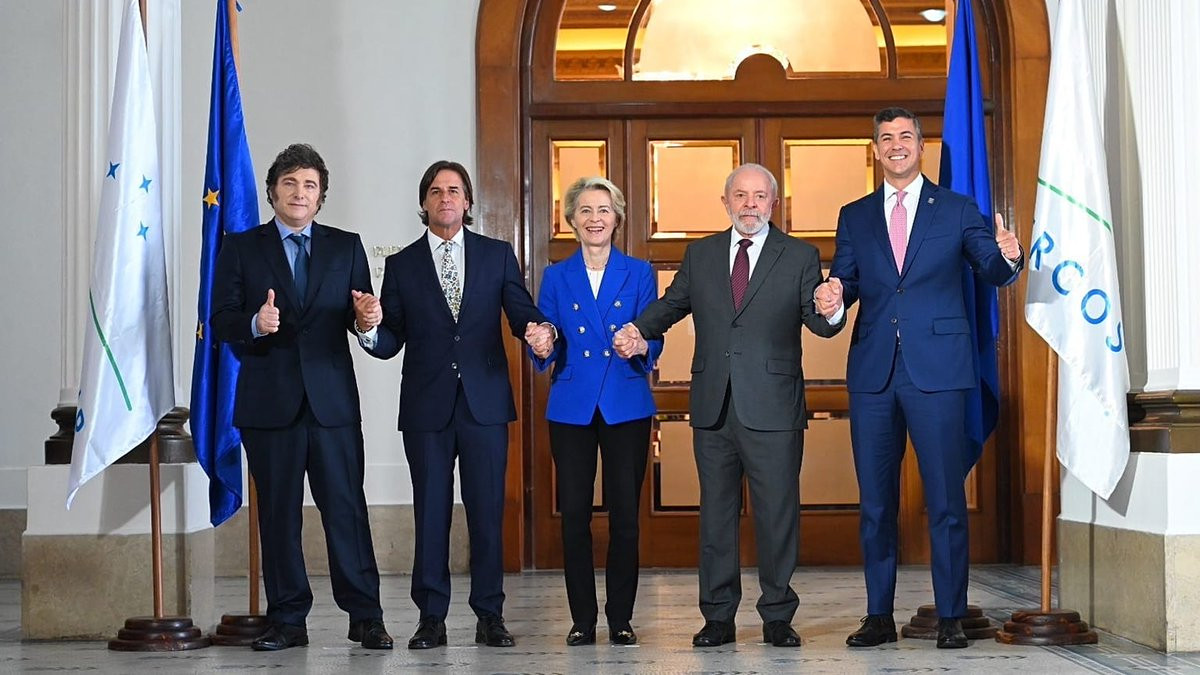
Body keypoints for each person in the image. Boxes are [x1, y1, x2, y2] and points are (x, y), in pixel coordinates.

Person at [614, 163, 842, 648]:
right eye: (740, 195)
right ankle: (717, 617)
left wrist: (832, 307)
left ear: (773, 203)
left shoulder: (799, 255)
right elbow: (672, 304)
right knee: (716, 516)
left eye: (759, 196)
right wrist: (638, 330)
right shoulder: (701, 254)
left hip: (774, 407)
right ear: (726, 202)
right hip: (713, 406)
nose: (750, 204)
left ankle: (777, 616)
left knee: (777, 515)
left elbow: (820, 323)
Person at [820, 107, 1023, 650]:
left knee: (946, 500)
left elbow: (991, 267)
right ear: (876, 149)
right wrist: (834, 298)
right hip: (874, 374)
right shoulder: (854, 215)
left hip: (940, 371)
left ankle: (951, 616)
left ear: (920, 145)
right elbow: (846, 282)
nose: (896, 145)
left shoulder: (956, 209)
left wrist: (1009, 256)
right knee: (876, 504)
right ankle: (878, 617)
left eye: (905, 136)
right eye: (886, 138)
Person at [356, 160, 555, 650]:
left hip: (485, 404)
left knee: (487, 512)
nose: (445, 198)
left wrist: (538, 330)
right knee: (431, 512)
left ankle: (490, 615)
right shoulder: (402, 265)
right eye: (436, 191)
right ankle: (431, 618)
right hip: (426, 408)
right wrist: (368, 327)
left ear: (467, 202)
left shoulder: (496, 254)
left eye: (454, 190)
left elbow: (520, 310)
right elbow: (391, 339)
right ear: (424, 203)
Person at [210, 143, 393, 651]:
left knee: (346, 511)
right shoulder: (242, 248)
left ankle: (366, 617)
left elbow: (360, 313)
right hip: (270, 407)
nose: (299, 192)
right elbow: (220, 320)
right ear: (272, 192)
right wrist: (254, 322)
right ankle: (288, 620)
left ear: (321, 197)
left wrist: (367, 320)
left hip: (332, 406)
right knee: (279, 516)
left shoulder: (346, 246)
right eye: (289, 182)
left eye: (309, 185)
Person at [530, 177, 663, 647]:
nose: (595, 219)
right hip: (573, 407)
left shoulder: (639, 272)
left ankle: (621, 618)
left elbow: (654, 332)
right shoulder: (556, 276)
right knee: (575, 516)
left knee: (625, 515)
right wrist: (541, 343)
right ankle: (582, 619)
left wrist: (642, 345)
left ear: (617, 218)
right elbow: (545, 335)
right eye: (585, 210)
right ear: (571, 219)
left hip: (626, 403)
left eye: (604, 210)